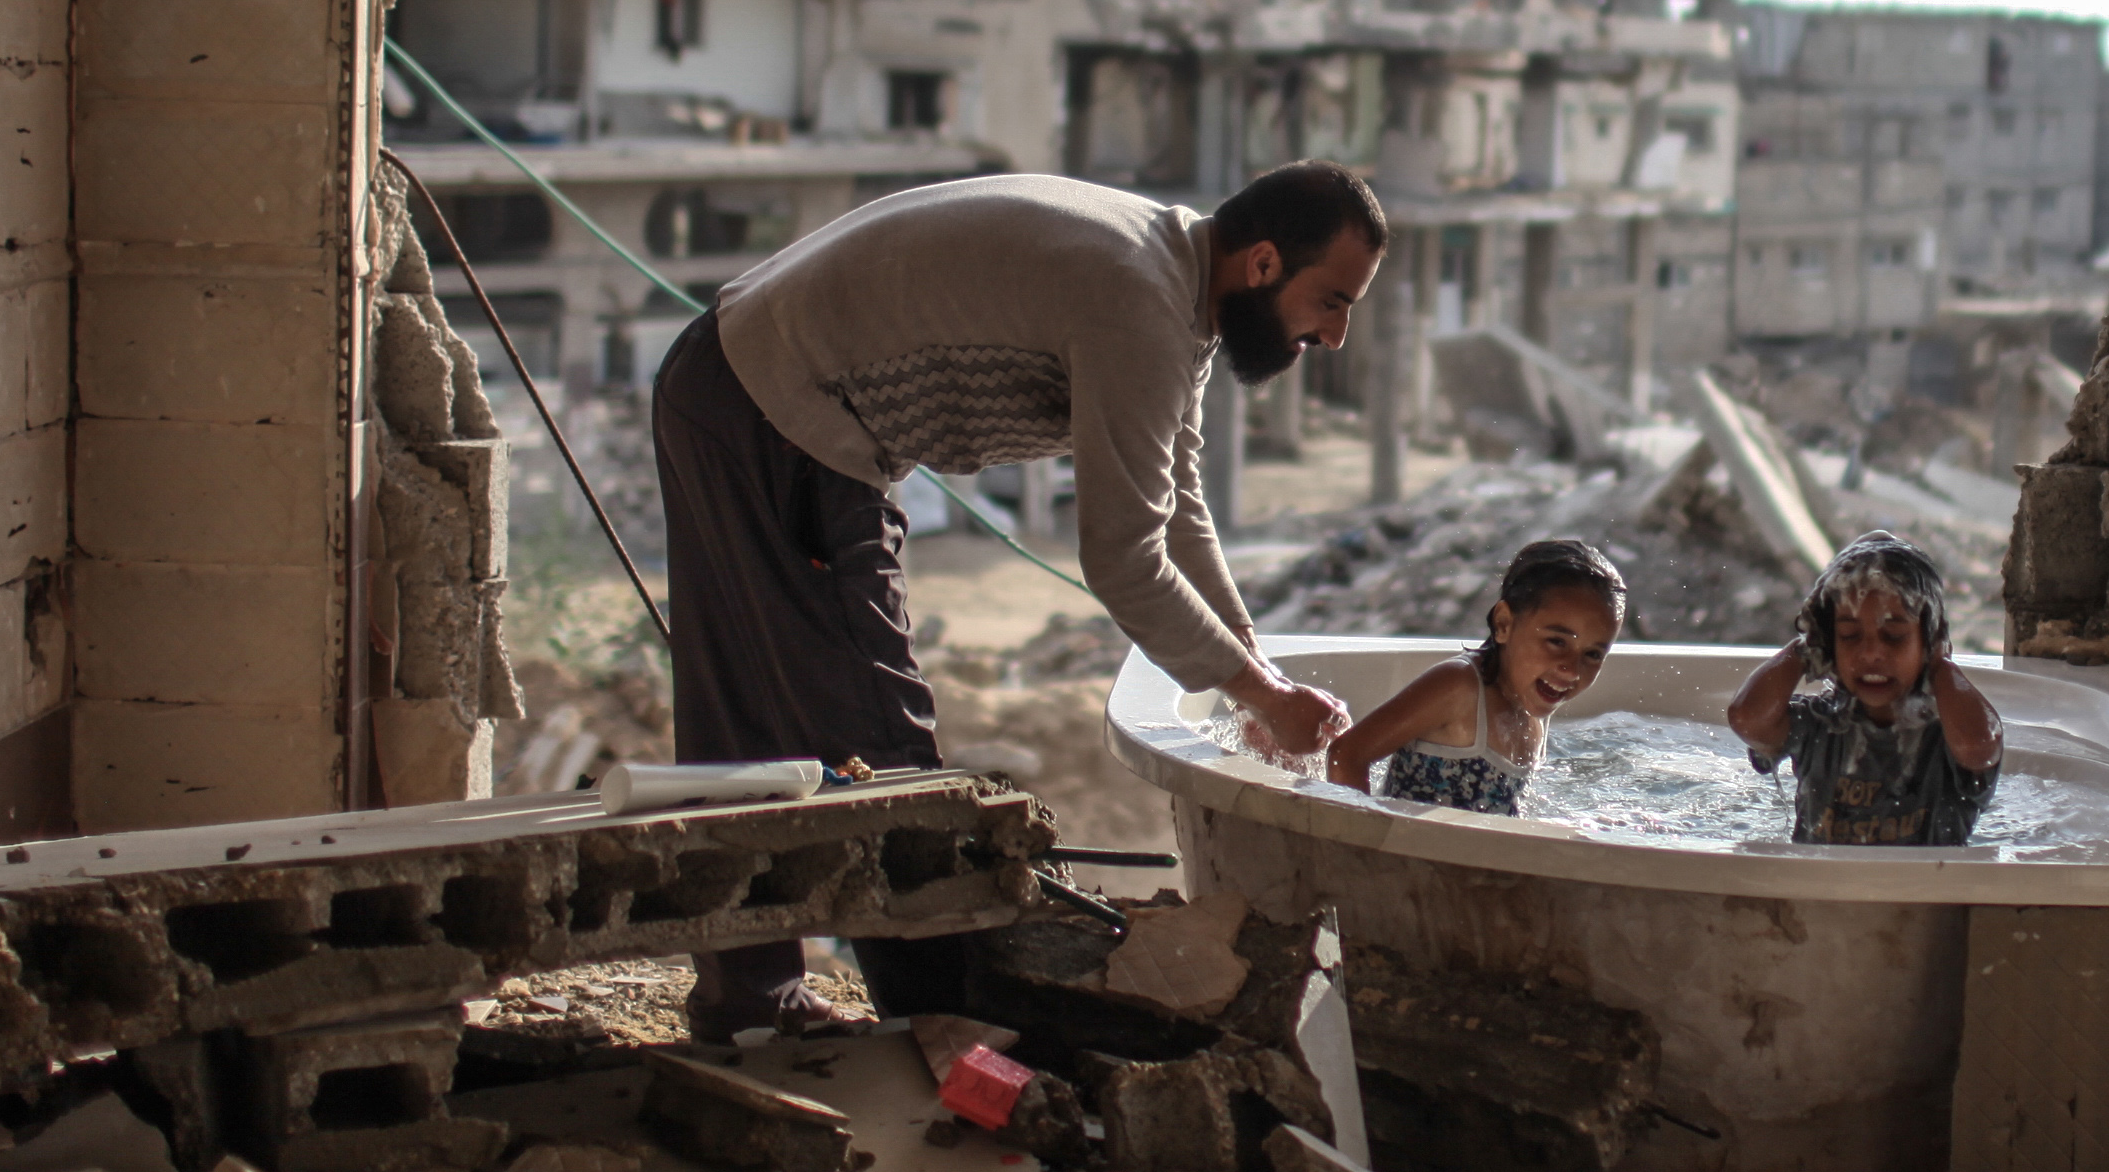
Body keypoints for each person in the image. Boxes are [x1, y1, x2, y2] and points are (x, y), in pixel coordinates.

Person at [655, 160, 1386, 1041]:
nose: (1336, 336)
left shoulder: (1173, 273)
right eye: (1334, 300)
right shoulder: (1140, 303)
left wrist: (1251, 666)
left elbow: (1174, 497)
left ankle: (751, 1004)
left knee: (755, 711)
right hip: (775, 412)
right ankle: (949, 1026)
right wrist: (1262, 696)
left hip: (735, 377)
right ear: (1265, 264)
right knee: (878, 743)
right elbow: (1122, 557)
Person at [1722, 531, 2003, 846]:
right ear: (1830, 643)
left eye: (1893, 636)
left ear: (1929, 641)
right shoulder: (1818, 724)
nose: (1870, 654)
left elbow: (1980, 745)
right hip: (1819, 888)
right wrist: (1807, 647)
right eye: (1849, 635)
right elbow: (1747, 719)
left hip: (1921, 892)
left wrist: (1940, 666)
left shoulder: (1949, 734)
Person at [1329, 539, 1632, 813]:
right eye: (1556, 642)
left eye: (1592, 655)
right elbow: (1347, 755)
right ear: (1503, 624)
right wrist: (1361, 854)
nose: (1571, 669)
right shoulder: (1460, 687)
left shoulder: (1533, 702)